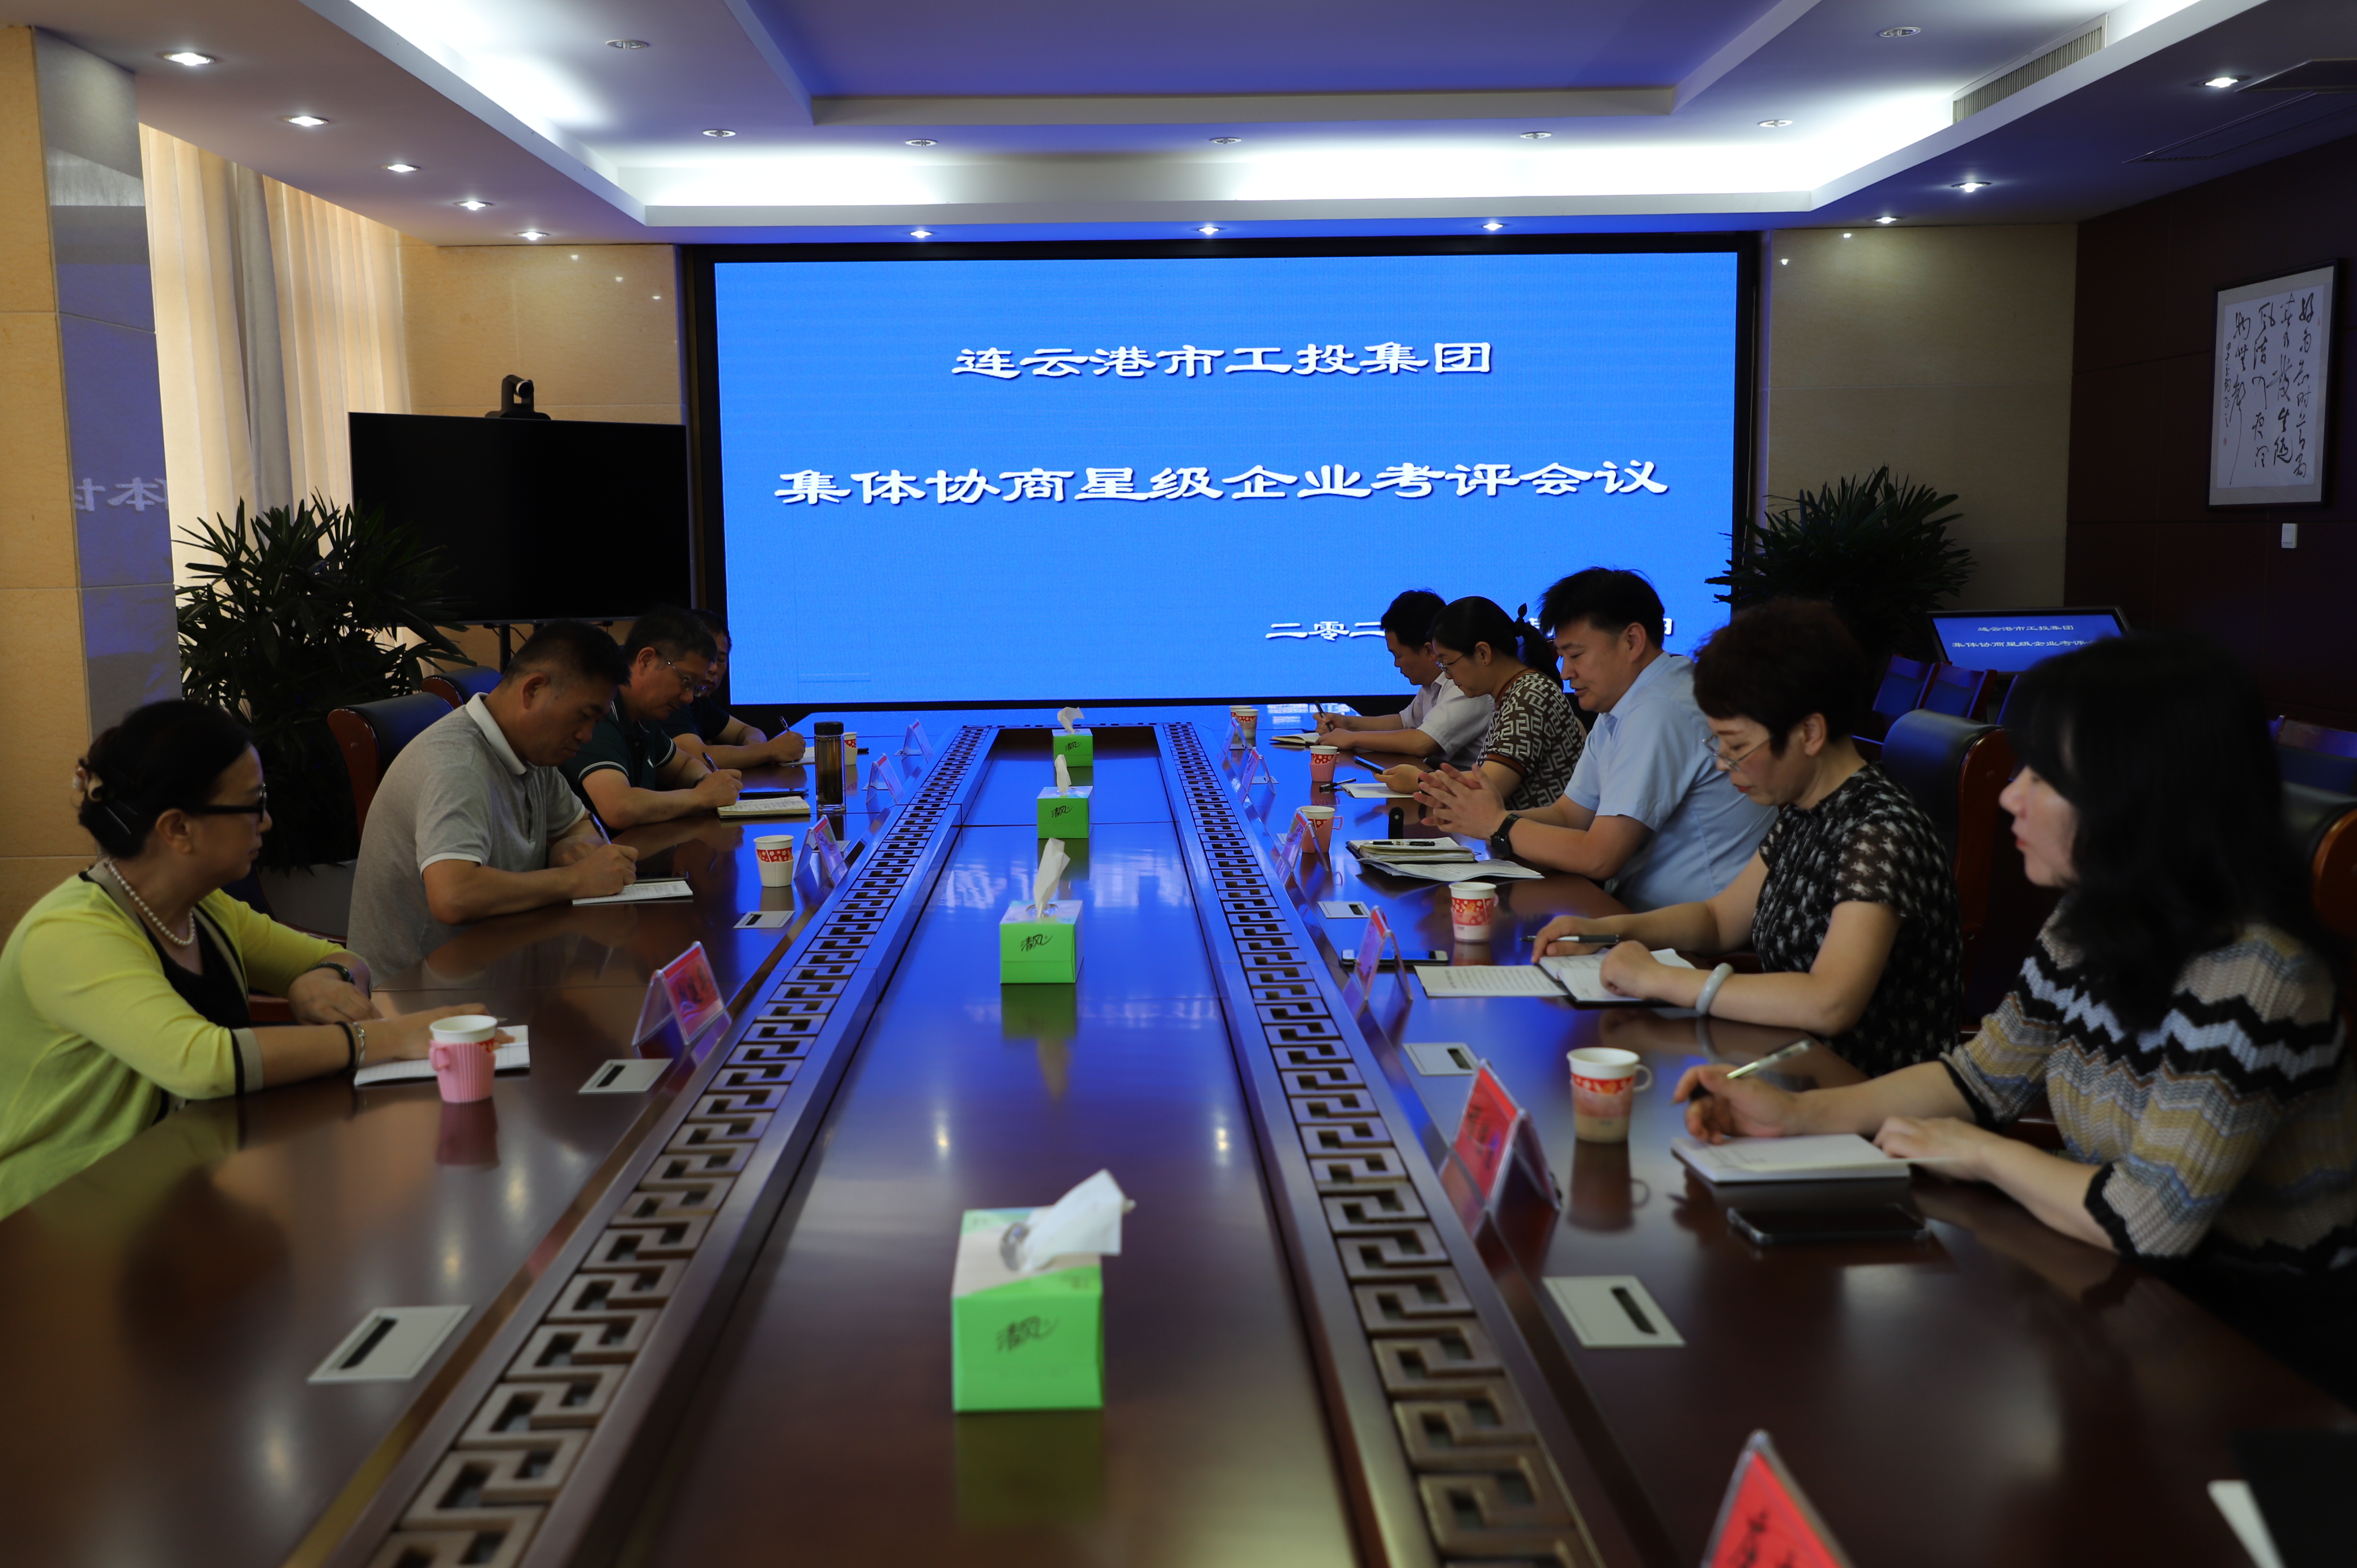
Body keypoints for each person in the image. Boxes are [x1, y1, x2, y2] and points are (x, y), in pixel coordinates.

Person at [1674, 632, 2357, 1405]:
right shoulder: (2087, 921)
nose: (2008, 796)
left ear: (2134, 793)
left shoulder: (2256, 969)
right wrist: (1797, 1116)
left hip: (2266, 1349)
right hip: (2123, 1291)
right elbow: (1979, 1078)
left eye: (2043, 775)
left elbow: (2151, 1217)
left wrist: (1977, 1152)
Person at [0, 702, 481, 1217]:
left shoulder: (202, 907)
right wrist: (389, 1037)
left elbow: (343, 958)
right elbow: (200, 1063)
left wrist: (318, 979)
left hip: (177, 1187)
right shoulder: (72, 933)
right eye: (253, 805)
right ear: (178, 828)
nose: (267, 822)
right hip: (60, 1216)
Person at [1532, 599, 1961, 1076]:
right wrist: (1607, 931)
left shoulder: (1881, 831)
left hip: (1863, 1091)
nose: (1722, 763)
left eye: (1736, 745)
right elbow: (1719, 920)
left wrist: (1661, 980)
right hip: (1786, 1062)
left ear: (1810, 733)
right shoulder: (1807, 811)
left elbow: (1830, 1002)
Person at [1420, 569, 1773, 908]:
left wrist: (1498, 824)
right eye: (1561, 656)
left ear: (1632, 641)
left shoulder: (1659, 708)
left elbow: (1600, 857)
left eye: (1576, 655)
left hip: (1695, 929)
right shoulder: (1621, 704)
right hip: (1636, 912)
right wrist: (1480, 818)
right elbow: (1569, 815)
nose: (1565, 672)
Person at [348, 620, 646, 978]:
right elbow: (454, 896)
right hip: (418, 993)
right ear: (533, 690)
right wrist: (575, 879)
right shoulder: (458, 766)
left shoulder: (531, 747)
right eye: (583, 717)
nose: (587, 736)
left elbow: (579, 825)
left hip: (498, 961)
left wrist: (572, 848)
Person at [1376, 596, 1584, 812]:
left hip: (1534, 832)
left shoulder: (1530, 695)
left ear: (1483, 653)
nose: (1448, 676)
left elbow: (1491, 787)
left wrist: (1422, 780)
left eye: (1448, 664)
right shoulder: (1516, 691)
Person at [559, 606, 745, 829]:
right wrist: (703, 796)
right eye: (686, 681)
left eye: (695, 688)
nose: (688, 698)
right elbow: (619, 808)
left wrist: (707, 782)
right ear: (646, 660)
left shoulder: (643, 716)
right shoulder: (598, 711)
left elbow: (684, 765)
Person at [1314, 589, 1491, 768]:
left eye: (1398, 656)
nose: (1396, 664)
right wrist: (1347, 724)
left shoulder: (1466, 684)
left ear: (1429, 650)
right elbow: (1404, 723)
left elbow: (1422, 743)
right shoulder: (1433, 684)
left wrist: (1352, 739)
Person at [673, 608, 805, 772]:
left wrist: (756, 749)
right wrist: (768, 751)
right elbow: (695, 757)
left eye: (721, 660)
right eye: (706, 657)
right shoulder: (672, 701)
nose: (713, 668)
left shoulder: (700, 702)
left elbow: (749, 731)